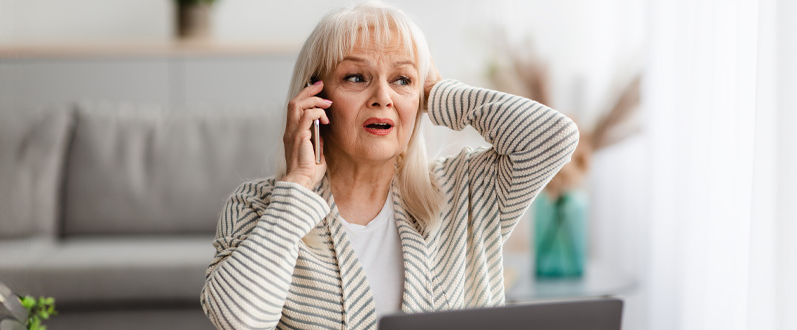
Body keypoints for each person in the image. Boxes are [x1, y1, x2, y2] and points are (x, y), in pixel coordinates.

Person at [199, 1, 579, 329]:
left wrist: (438, 92)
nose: (382, 97)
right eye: (356, 77)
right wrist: (298, 186)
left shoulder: (465, 190)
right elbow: (239, 321)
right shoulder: (257, 206)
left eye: (401, 79)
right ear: (315, 98)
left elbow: (555, 137)